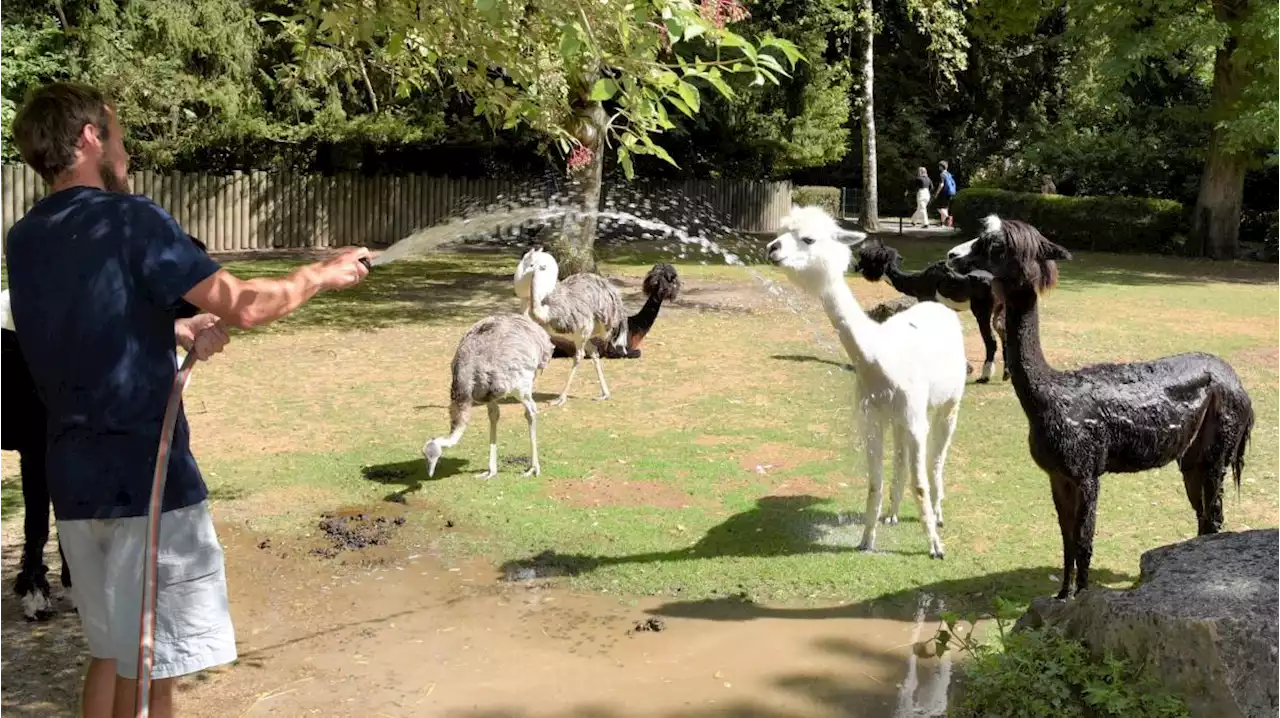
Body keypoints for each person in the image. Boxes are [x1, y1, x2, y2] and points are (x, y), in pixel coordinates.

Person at [6, 81, 371, 718]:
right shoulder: (131, 218)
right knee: (154, 663)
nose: (126, 150)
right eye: (117, 134)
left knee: (112, 652)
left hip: (74, 481)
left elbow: (82, 327)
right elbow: (247, 306)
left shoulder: (26, 238)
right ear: (90, 138)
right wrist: (324, 273)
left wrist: (175, 329)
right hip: (144, 479)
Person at [934, 160, 957, 227]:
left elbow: (941, 184)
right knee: (945, 208)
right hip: (951, 193)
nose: (939, 167)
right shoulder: (949, 174)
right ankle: (942, 223)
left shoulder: (942, 174)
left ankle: (948, 218)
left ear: (942, 167)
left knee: (938, 208)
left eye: (939, 166)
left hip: (944, 193)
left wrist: (937, 193)